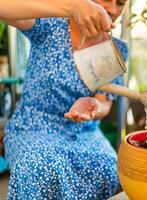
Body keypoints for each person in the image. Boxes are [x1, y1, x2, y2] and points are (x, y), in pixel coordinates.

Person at [0, 0, 128, 199]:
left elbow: (104, 102)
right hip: (34, 128)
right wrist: (72, 7)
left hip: (85, 134)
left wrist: (94, 107)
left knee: (111, 172)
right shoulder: (50, 25)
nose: (112, 9)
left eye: (121, 2)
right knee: (40, 167)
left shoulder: (116, 49)